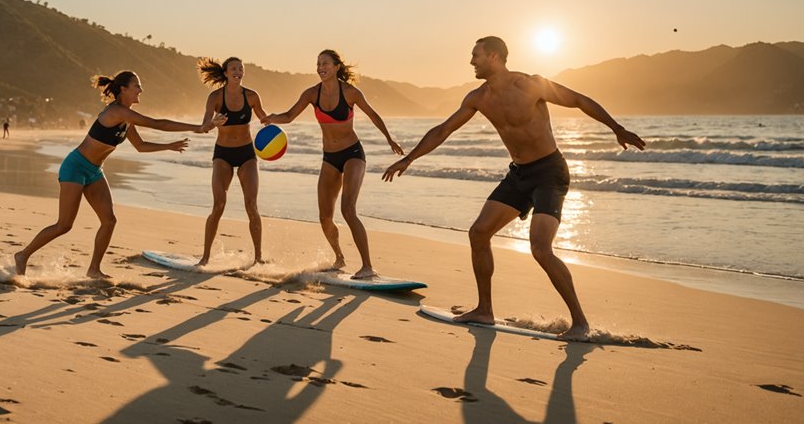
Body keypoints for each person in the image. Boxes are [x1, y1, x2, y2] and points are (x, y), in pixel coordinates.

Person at [382, 36, 646, 341]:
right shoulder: (478, 97)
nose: (471, 62)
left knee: (540, 249)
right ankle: (484, 309)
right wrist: (410, 159)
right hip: (519, 174)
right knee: (479, 233)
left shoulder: (531, 85)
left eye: (475, 56)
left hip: (550, 173)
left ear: (494, 57)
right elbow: (443, 129)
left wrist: (617, 128)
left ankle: (580, 323)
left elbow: (580, 100)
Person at [15, 70, 226, 279]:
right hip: (76, 167)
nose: (140, 90)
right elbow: (156, 123)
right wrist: (198, 128)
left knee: (109, 220)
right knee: (64, 225)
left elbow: (140, 146)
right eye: (136, 85)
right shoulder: (117, 112)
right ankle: (23, 255)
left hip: (94, 171)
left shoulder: (127, 119)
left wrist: (169, 146)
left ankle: (94, 270)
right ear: (123, 89)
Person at [264, 50, 403, 279]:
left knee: (348, 209)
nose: (321, 67)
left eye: (325, 63)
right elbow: (289, 116)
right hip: (329, 158)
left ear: (337, 66)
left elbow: (373, 114)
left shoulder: (350, 93)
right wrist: (272, 118)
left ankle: (367, 266)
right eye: (318, 63)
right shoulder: (311, 93)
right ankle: (339, 258)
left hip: (353, 154)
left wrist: (389, 139)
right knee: (324, 216)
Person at [196, 57, 269, 266]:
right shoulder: (216, 97)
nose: (238, 71)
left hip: (246, 154)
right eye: (234, 68)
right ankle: (205, 257)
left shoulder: (252, 96)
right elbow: (203, 127)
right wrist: (213, 122)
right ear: (225, 73)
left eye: (241, 68)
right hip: (223, 155)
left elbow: (264, 119)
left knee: (251, 205)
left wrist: (275, 125)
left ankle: (258, 258)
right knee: (219, 205)